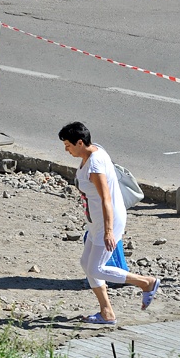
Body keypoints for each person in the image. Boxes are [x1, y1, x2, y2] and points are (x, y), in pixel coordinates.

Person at [58, 121, 160, 325]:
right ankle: (107, 312)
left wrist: (108, 231)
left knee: (96, 268)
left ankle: (146, 283)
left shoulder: (94, 165)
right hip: (97, 220)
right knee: (86, 264)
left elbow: (106, 198)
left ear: (80, 142)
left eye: (68, 145)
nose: (66, 149)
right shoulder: (95, 151)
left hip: (108, 220)